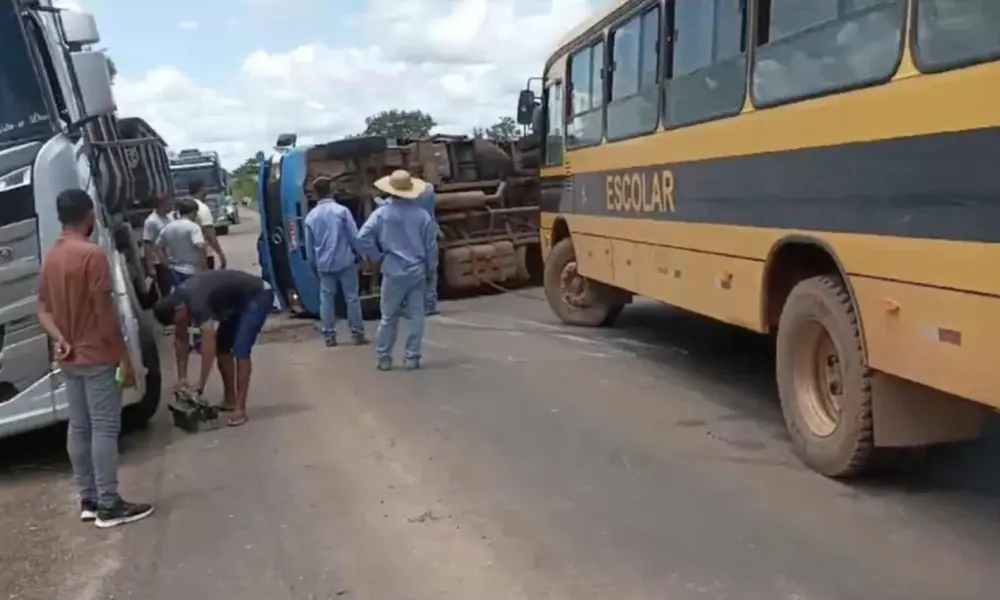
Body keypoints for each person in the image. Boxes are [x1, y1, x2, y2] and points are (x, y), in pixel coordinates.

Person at [37, 188, 155, 528]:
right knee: (104, 427)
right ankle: (109, 503)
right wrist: (123, 357)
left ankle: (88, 499)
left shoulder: (52, 257)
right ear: (89, 215)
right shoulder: (93, 255)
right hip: (99, 355)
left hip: (69, 358)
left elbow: (41, 309)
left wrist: (60, 339)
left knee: (79, 426)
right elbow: (104, 314)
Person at [153, 270, 274, 427]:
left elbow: (208, 343)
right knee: (223, 347)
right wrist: (182, 378)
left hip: (258, 295)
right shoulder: (178, 298)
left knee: (241, 349)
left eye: (177, 320)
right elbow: (181, 338)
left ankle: (240, 409)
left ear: (178, 310)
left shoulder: (196, 301)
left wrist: (201, 384)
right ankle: (230, 399)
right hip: (235, 303)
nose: (182, 323)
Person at [357, 170, 438, 371]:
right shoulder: (422, 216)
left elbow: (362, 237)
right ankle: (412, 357)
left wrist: (377, 256)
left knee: (388, 316)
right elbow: (431, 246)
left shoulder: (381, 214)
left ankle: (384, 358)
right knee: (417, 316)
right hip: (417, 270)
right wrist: (430, 270)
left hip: (393, 270)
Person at [303, 177, 369, 347]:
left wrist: (313, 264)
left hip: (324, 265)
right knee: (352, 298)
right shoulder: (342, 211)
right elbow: (354, 236)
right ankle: (357, 334)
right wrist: (362, 256)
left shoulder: (310, 217)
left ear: (316, 193)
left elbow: (309, 247)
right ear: (331, 190)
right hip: (345, 261)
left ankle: (330, 337)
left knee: (326, 299)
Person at [185, 179, 228, 270]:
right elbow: (210, 234)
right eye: (205, 188)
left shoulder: (184, 207)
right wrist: (220, 254)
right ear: (201, 189)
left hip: (185, 257)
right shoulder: (202, 208)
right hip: (204, 255)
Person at [141, 194, 174, 297]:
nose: (171, 206)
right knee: (166, 290)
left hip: (172, 258)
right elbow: (147, 244)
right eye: (169, 204)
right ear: (161, 204)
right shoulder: (151, 221)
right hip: (160, 261)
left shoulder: (170, 217)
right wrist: (150, 267)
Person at [415, 184, 440, 315]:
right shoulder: (428, 189)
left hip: (414, 238)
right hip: (428, 232)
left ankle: (416, 305)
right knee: (431, 270)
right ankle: (429, 305)